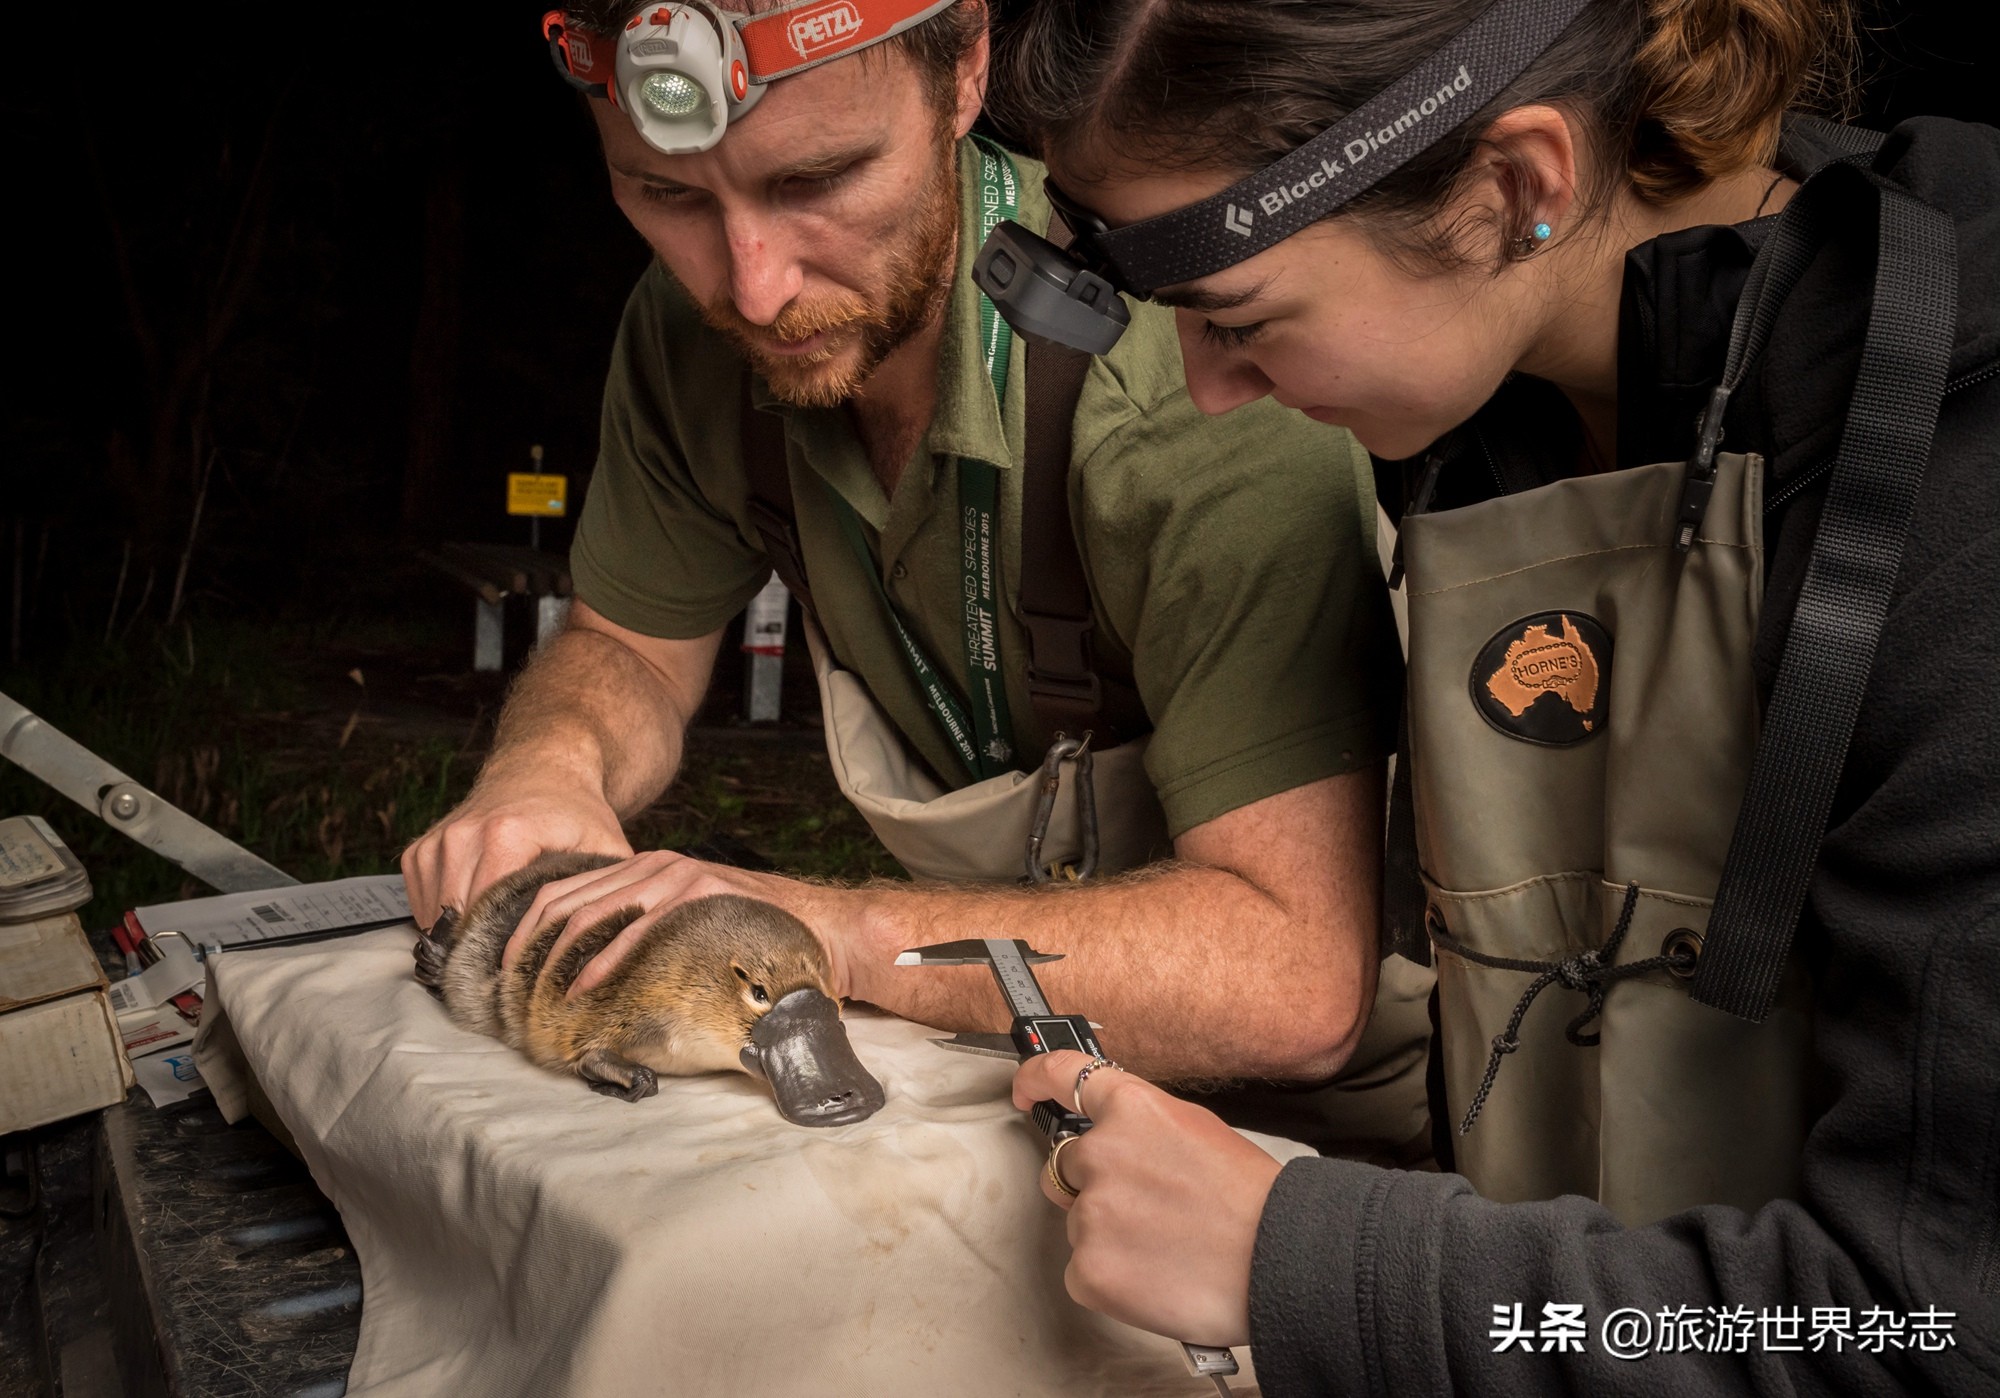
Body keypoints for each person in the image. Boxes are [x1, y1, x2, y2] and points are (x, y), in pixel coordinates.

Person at [983, 0, 2000, 1390]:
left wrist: (1302, 1259)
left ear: (1516, 187)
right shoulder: (1495, 421)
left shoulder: (1959, 510)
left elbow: (1927, 1323)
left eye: (1242, 319)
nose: (1214, 394)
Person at [400, 0, 1435, 1154]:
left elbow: (1290, 984)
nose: (751, 289)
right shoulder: (695, 335)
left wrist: (826, 937)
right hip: (1002, 1062)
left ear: (964, 71)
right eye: (669, 196)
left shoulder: (1193, 389)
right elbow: (629, 644)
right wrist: (546, 768)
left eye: (818, 179)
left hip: (1348, 1125)